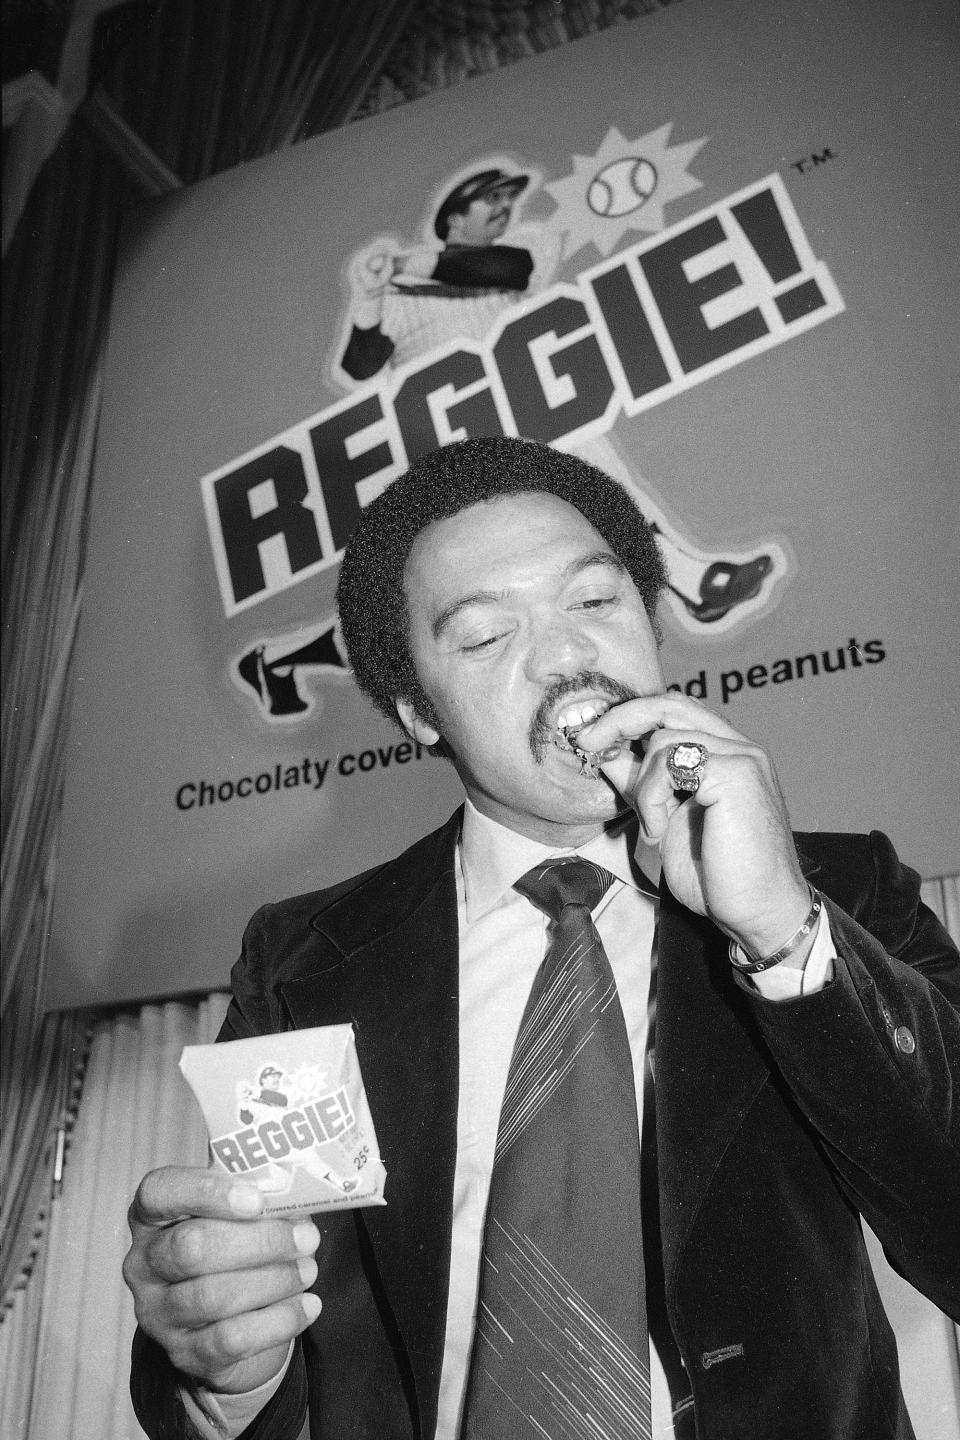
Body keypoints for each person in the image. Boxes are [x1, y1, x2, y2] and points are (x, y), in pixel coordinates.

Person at [124, 436, 960, 1440]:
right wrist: (226, 1378)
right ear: (417, 713)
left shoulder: (840, 892)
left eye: (595, 602)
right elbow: (251, 1307)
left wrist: (783, 932)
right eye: (483, 637)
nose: (565, 656)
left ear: (654, 627)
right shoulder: (305, 962)